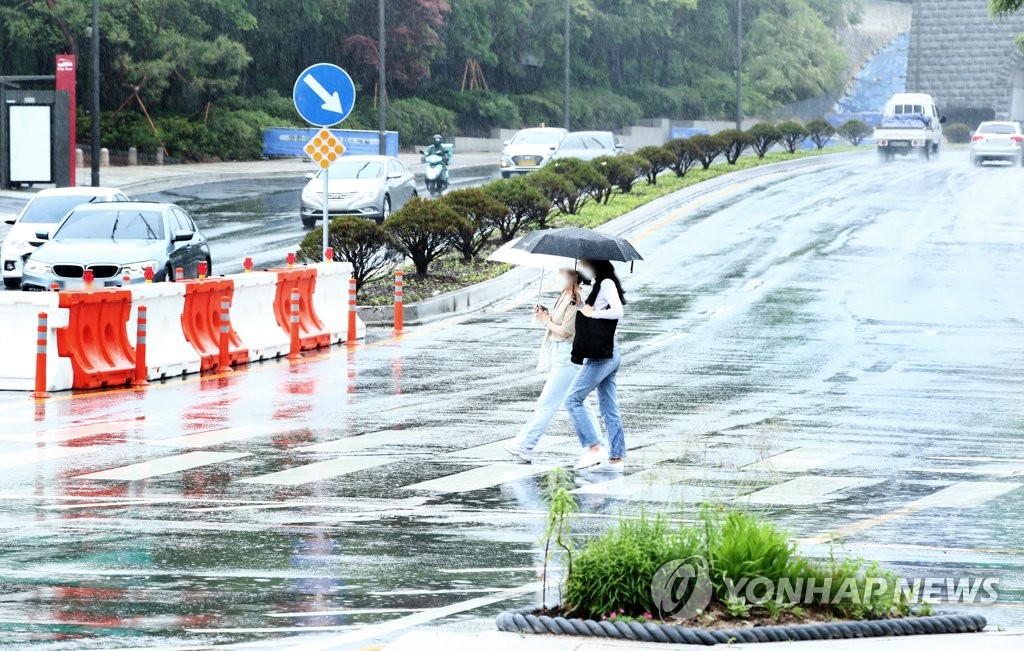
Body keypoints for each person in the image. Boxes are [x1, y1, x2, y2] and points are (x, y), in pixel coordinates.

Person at [504, 269, 601, 464]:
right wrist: (546, 315)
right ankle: (598, 446)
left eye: (563, 272)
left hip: (567, 356)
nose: (558, 275)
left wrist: (546, 321)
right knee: (580, 402)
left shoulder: (577, 297)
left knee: (547, 402)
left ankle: (526, 445)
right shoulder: (566, 293)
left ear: (575, 275)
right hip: (561, 354)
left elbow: (566, 332)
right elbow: (557, 323)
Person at [566, 259, 627, 473]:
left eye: (584, 262)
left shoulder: (607, 282)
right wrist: (581, 305)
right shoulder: (599, 283)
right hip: (607, 352)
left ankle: (594, 447)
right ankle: (616, 458)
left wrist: (593, 313)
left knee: (573, 400)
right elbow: (591, 312)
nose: (582, 265)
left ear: (594, 263)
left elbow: (617, 312)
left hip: (603, 354)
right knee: (609, 408)